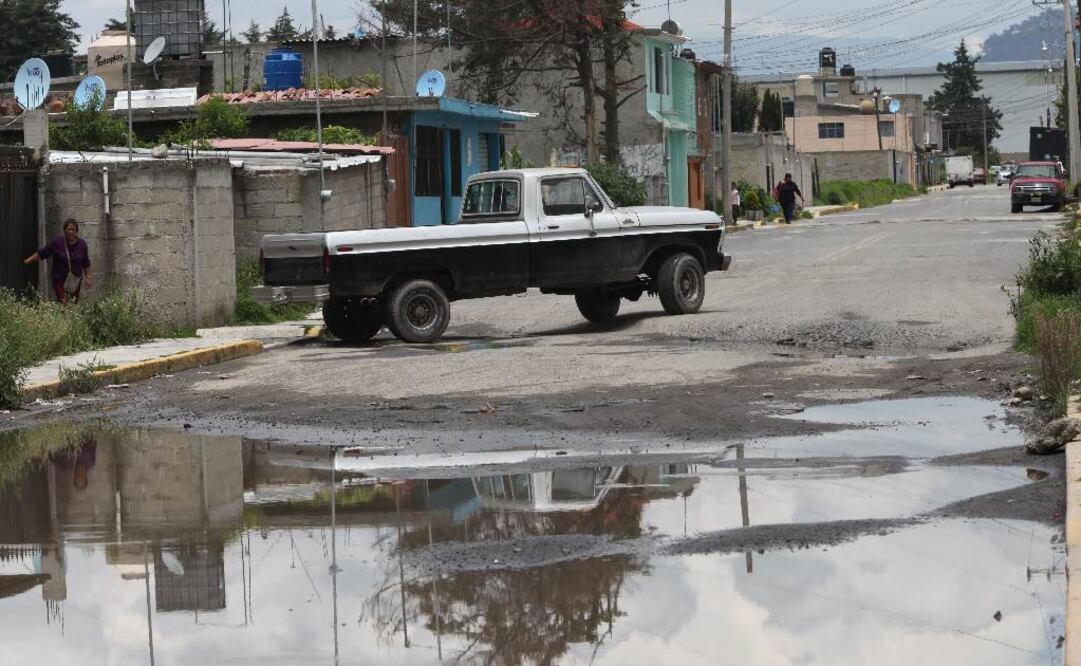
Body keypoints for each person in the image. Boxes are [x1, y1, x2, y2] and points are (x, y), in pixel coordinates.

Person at [24, 219, 92, 304]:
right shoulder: (58, 242)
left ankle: (60, 314)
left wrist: (88, 277)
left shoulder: (82, 244)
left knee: (73, 304)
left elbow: (86, 263)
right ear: (64, 230)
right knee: (64, 303)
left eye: (73, 230)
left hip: (75, 281)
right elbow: (43, 252)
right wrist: (28, 261)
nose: (71, 232)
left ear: (76, 231)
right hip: (59, 280)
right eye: (69, 229)